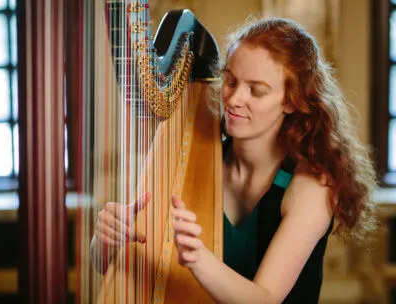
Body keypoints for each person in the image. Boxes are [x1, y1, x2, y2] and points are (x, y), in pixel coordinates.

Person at [91, 16, 378, 303]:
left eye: (257, 90)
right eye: (231, 80)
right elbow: (108, 267)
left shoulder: (312, 185)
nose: (234, 99)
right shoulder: (194, 154)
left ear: (291, 101)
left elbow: (264, 298)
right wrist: (105, 242)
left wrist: (198, 258)